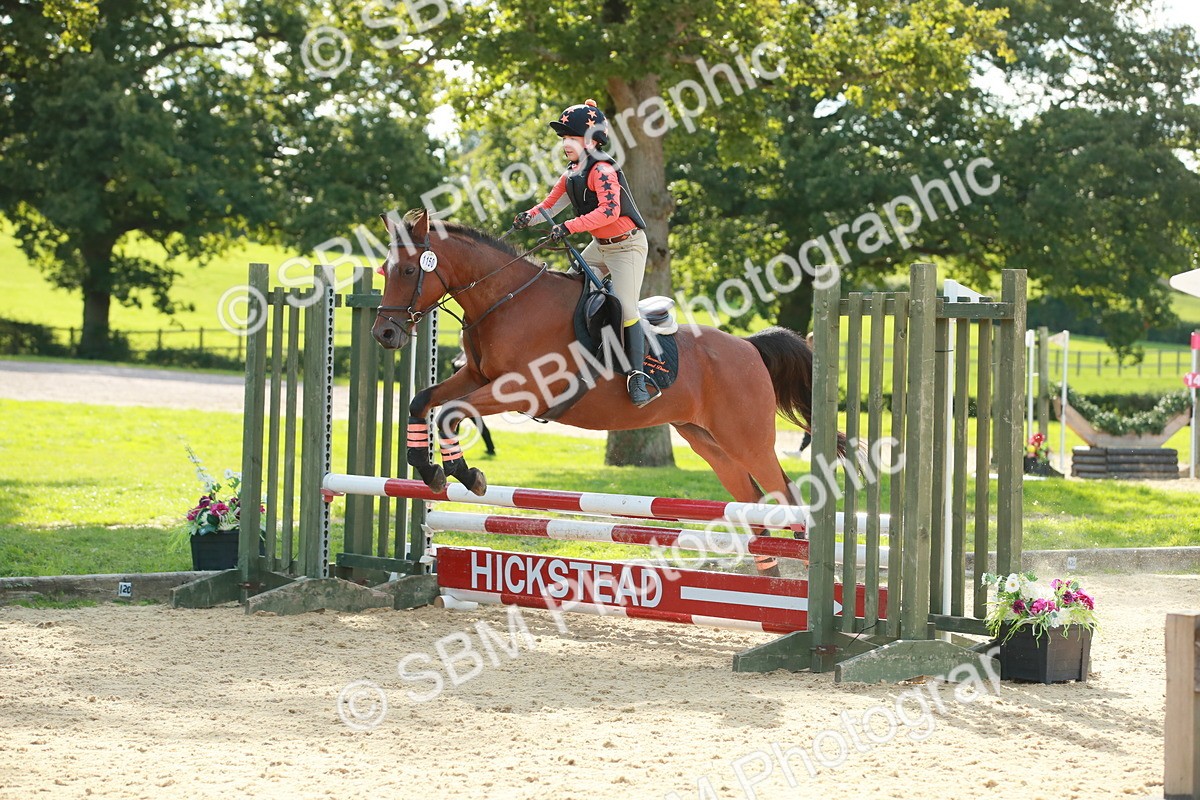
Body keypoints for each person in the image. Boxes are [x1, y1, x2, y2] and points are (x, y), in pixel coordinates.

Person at [513, 99, 657, 408]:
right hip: (601, 247)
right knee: (567, 289)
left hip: (626, 246)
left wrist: (569, 227)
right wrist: (528, 216)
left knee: (627, 309)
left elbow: (609, 211)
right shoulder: (572, 173)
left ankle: (636, 375)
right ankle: (578, 354)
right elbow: (549, 205)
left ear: (591, 140)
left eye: (571, 137)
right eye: (563, 138)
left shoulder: (602, 170)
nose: (565, 143)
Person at [452, 337, 496, 456]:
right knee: (453, 423)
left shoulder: (472, 357)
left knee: (479, 424)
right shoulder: (460, 355)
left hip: (469, 398)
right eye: (461, 341)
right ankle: (452, 447)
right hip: (457, 397)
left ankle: (491, 449)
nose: (461, 343)